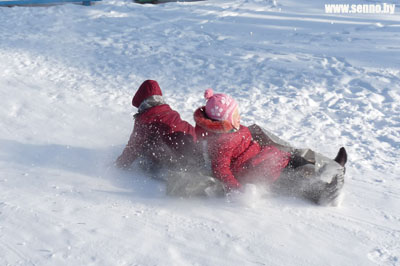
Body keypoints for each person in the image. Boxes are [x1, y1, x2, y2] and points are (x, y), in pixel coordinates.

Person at [193, 88, 347, 205]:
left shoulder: (231, 131)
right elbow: (221, 169)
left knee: (296, 159)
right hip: (259, 171)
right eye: (235, 115)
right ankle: (323, 194)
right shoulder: (222, 142)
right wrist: (237, 190)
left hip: (263, 158)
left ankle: (328, 171)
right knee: (292, 181)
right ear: (224, 121)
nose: (239, 117)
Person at [115, 80, 199, 177]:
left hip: (172, 161)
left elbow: (133, 147)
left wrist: (120, 164)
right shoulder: (169, 112)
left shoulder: (145, 119)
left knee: (145, 148)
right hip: (192, 150)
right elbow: (190, 131)